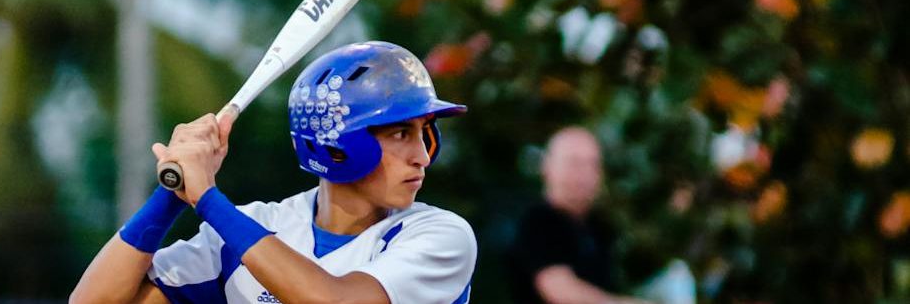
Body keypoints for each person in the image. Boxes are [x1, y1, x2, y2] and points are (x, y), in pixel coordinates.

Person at [70, 41, 477, 304]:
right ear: (340, 142)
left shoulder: (440, 236)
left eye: (425, 134)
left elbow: (334, 302)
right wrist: (173, 191)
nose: (422, 155)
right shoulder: (254, 229)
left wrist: (208, 199)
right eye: (401, 133)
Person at [508, 127, 639, 304]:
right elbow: (558, 289)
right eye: (574, 163)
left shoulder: (599, 226)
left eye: (592, 164)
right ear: (548, 167)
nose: (584, 174)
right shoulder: (536, 221)